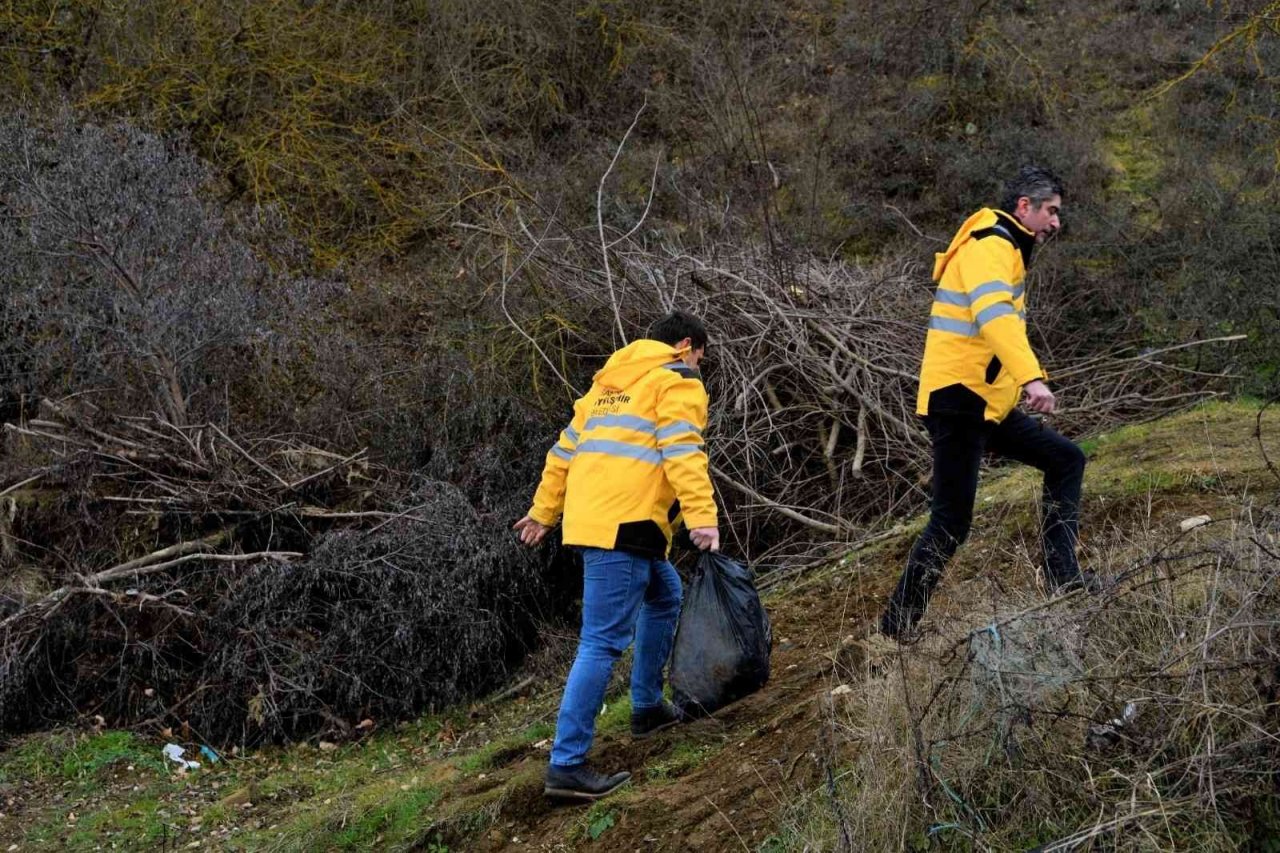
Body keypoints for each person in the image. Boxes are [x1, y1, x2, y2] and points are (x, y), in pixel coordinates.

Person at [878, 165, 1097, 643]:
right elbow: (995, 318)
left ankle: (1064, 577)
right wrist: (1033, 378)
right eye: (1051, 212)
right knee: (951, 522)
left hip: (984, 403)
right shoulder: (991, 246)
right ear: (1025, 207)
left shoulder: (1007, 248)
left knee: (1066, 459)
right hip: (960, 400)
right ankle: (894, 631)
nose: (1056, 223)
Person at [514, 310, 721, 802]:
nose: (699, 367)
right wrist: (700, 515)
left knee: (665, 594)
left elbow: (561, 453)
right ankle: (566, 764)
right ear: (686, 345)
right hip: (625, 526)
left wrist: (544, 512)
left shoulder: (606, 389)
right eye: (700, 358)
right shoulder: (677, 380)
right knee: (601, 643)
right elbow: (683, 449)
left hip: (601, 522)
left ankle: (647, 706)